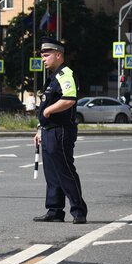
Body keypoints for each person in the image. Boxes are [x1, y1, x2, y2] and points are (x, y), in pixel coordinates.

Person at [33, 37, 88, 224]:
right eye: (42, 55)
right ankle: (54, 210)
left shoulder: (65, 74)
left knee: (65, 171)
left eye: (47, 55)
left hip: (61, 130)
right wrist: (40, 128)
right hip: (49, 130)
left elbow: (69, 99)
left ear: (58, 55)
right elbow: (46, 103)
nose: (43, 59)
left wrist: (48, 111)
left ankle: (78, 211)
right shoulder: (53, 78)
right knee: (52, 173)